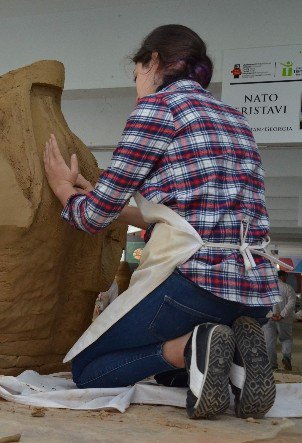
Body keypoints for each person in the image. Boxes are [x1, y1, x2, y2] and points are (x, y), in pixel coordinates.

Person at [43, 24, 288, 420]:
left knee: (88, 369)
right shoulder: (236, 118)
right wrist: (105, 198)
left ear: (153, 61)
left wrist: (64, 192)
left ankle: (192, 345)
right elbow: (183, 217)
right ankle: (239, 360)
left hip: (196, 286)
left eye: (136, 72)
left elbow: (92, 218)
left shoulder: (159, 108)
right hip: (253, 293)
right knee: (176, 376)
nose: (137, 83)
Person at [263, 271, 297, 370]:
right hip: (285, 320)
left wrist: (272, 315)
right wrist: (281, 315)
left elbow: (262, 303)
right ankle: (286, 358)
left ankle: (272, 365)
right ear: (283, 276)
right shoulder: (288, 288)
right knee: (286, 339)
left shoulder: (267, 288)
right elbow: (291, 304)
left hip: (269, 319)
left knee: (269, 342)